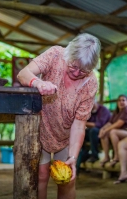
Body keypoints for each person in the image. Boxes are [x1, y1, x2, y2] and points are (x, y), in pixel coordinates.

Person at [17, 33, 101, 199]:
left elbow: (79, 125)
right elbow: (23, 74)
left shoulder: (91, 83)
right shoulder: (55, 54)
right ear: (68, 55)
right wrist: (38, 83)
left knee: (66, 178)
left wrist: (73, 157)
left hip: (66, 135)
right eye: (73, 66)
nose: (77, 73)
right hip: (41, 128)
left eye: (84, 70)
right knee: (41, 175)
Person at [98, 95, 127, 167]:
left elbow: (119, 124)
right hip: (118, 133)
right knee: (104, 134)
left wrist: (106, 130)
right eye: (119, 100)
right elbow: (110, 123)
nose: (121, 102)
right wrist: (102, 129)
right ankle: (106, 156)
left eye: (123, 100)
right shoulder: (116, 112)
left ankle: (117, 156)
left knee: (113, 132)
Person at [78, 100, 111, 164]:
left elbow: (99, 124)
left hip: (103, 132)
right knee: (80, 132)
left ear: (95, 102)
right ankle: (83, 154)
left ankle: (94, 155)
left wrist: (83, 123)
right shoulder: (89, 112)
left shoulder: (103, 110)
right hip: (92, 133)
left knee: (93, 130)